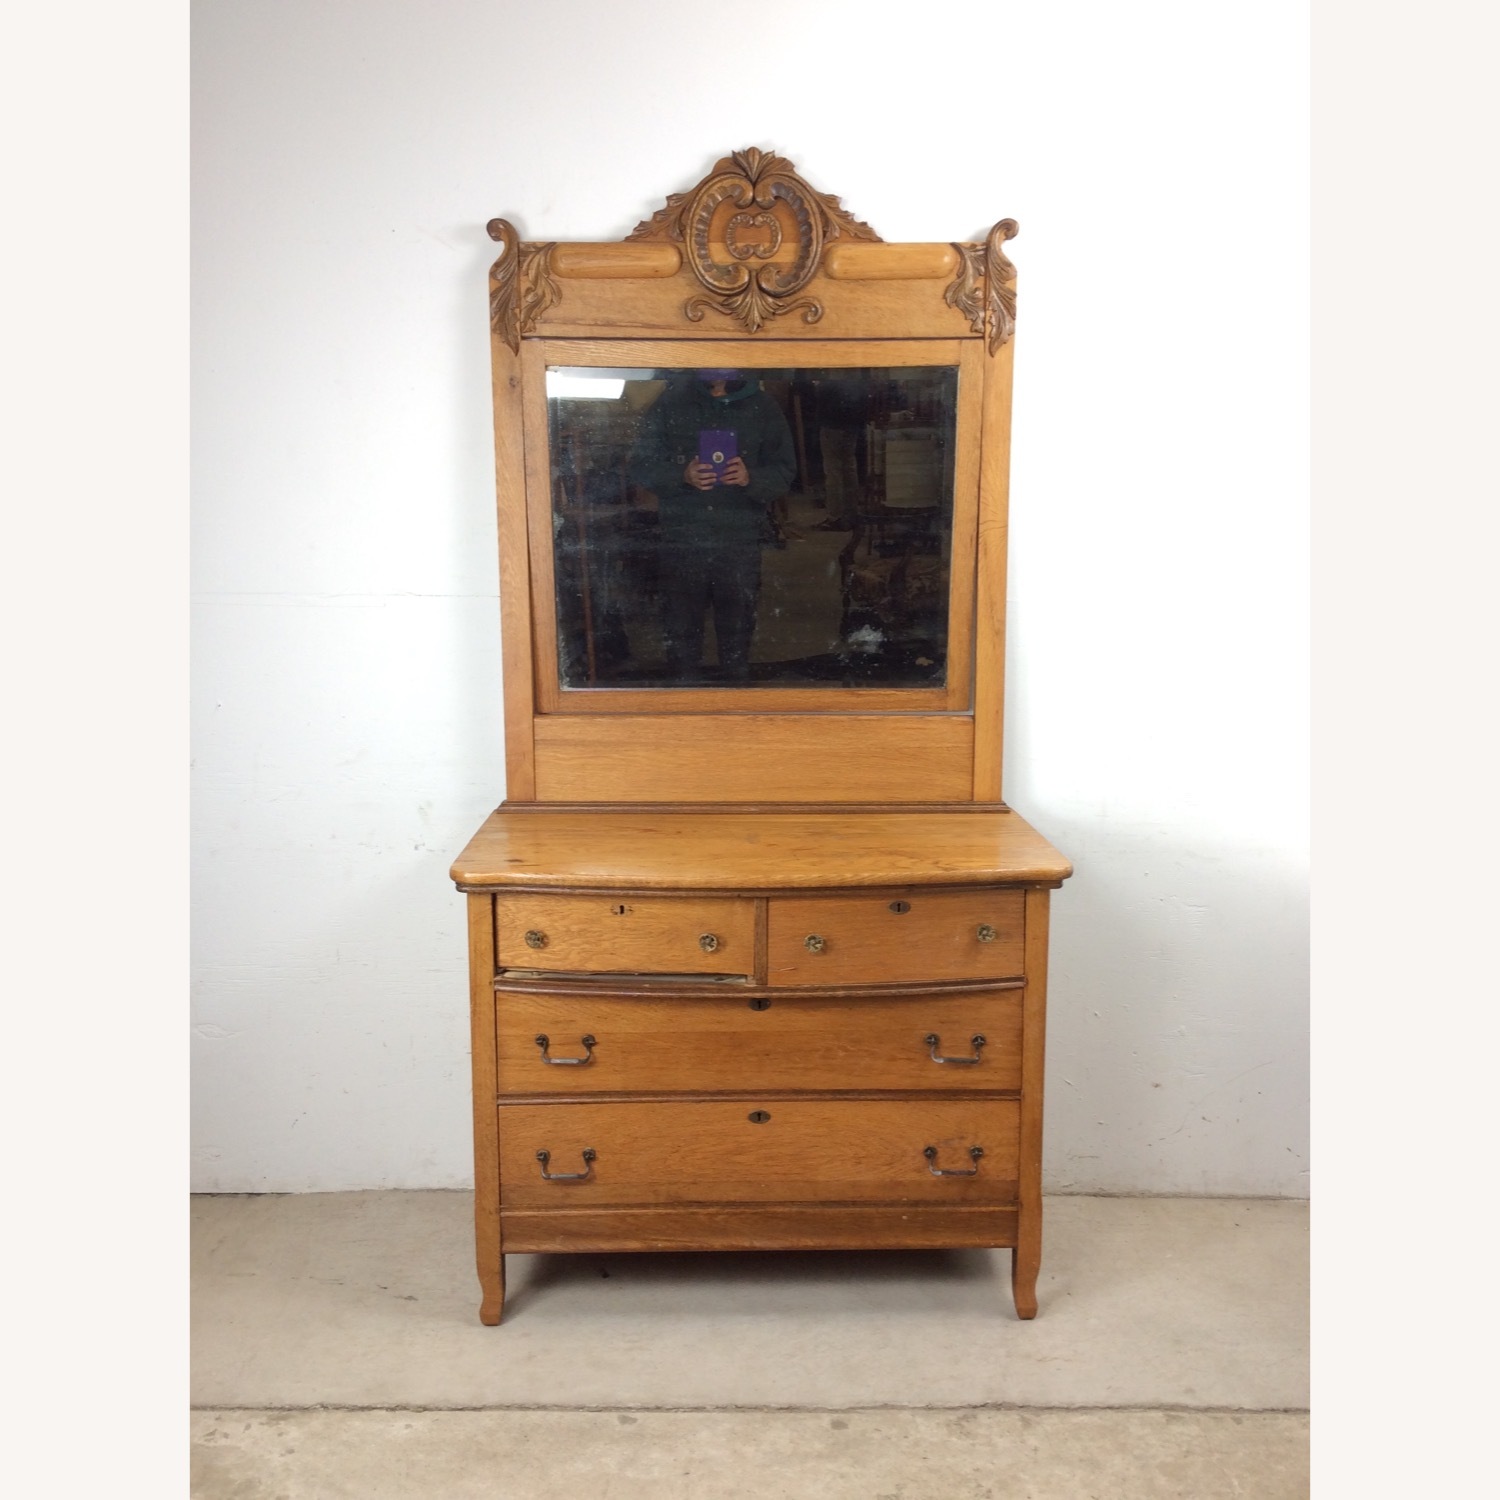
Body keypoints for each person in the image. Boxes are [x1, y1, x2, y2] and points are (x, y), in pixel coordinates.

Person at [628, 369, 796, 681]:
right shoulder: (671, 403)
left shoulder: (762, 407)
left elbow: (785, 470)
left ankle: (735, 701)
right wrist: (681, 474)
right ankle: (683, 703)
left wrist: (750, 478)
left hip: (738, 539)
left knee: (737, 637)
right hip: (682, 538)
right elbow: (640, 463)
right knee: (680, 636)